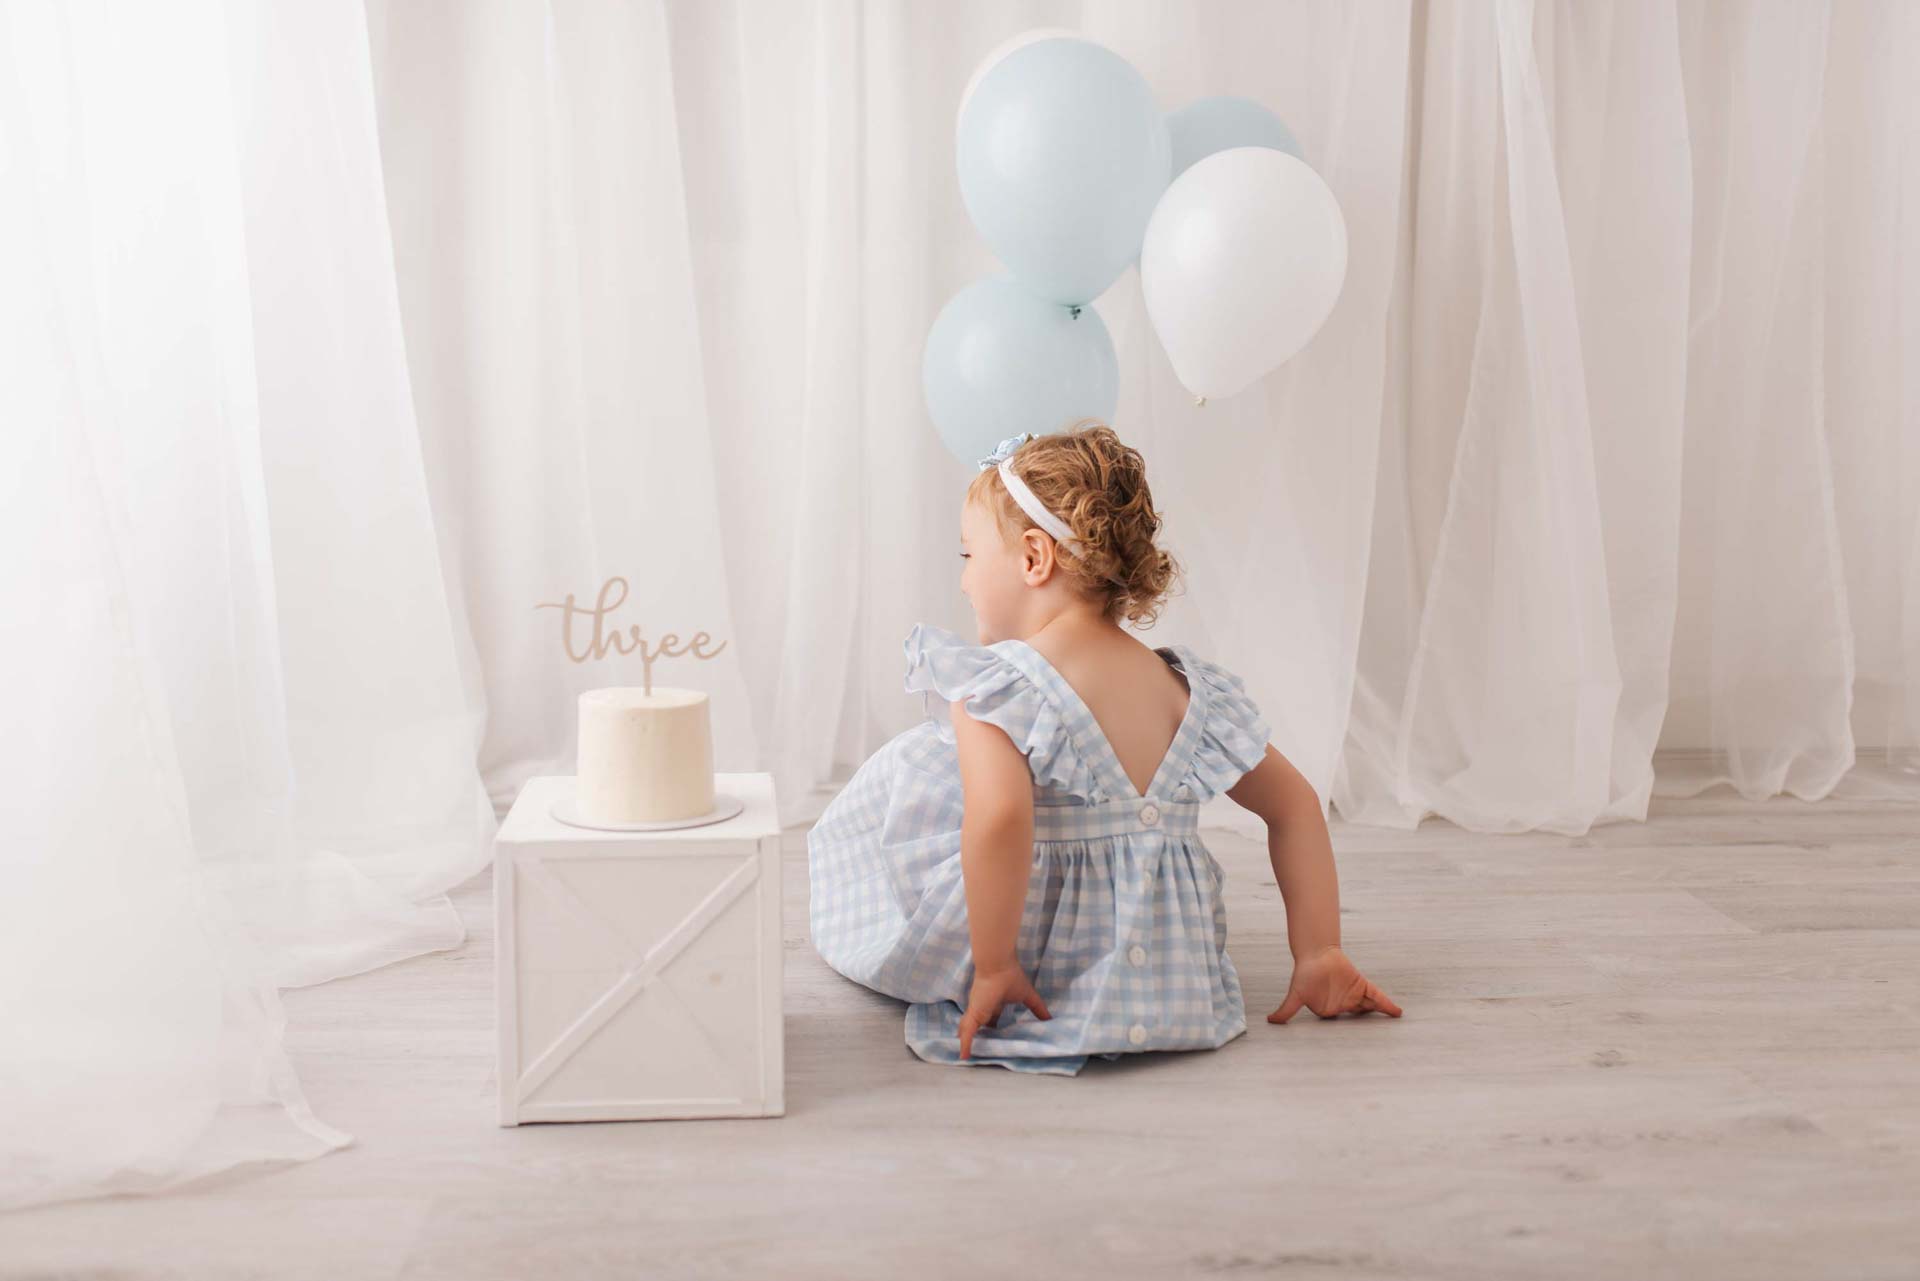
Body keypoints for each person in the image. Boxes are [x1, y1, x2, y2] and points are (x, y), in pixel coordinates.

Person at [807, 420, 1402, 1074]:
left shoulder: (994, 684)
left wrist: (996, 965)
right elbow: (1294, 805)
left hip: (1038, 962)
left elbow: (1001, 817)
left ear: (1034, 558)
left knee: (911, 772)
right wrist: (1319, 952)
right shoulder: (1181, 687)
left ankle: (1000, 963)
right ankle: (1317, 968)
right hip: (1176, 977)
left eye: (969, 556)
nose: (965, 581)